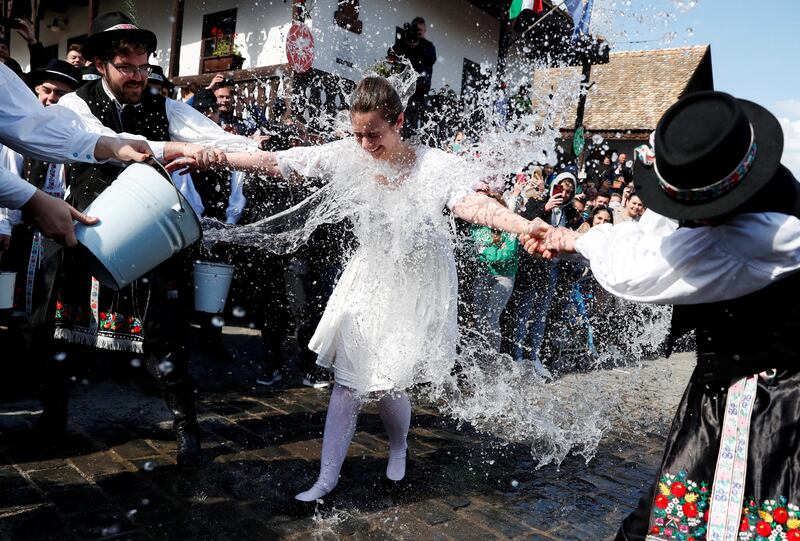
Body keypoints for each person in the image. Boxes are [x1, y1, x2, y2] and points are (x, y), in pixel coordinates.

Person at [220, 76, 543, 502]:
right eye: (357, 134)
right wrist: (212, 156)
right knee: (347, 381)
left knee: (388, 382)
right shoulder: (350, 155)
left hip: (419, 281)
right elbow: (280, 161)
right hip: (370, 274)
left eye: (375, 134)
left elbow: (473, 204)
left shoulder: (434, 165)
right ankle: (326, 478)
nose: (366, 145)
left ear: (399, 122)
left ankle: (398, 445)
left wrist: (524, 226)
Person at [523, 91, 800, 541]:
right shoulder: (757, 193)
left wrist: (572, 239)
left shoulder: (759, 236)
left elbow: (642, 267)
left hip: (764, 402)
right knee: (655, 518)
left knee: (706, 524)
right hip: (727, 390)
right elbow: (664, 228)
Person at [42, 11, 258, 467]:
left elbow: (216, 137)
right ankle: (53, 418)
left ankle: (187, 430)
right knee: (57, 326)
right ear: (101, 63)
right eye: (128, 68)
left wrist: (246, 149)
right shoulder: (73, 105)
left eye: (143, 66)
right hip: (82, 227)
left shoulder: (163, 103)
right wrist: (176, 150)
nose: (139, 76)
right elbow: (104, 140)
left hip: (146, 230)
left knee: (165, 331)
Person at [0, 62, 151, 245]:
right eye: (47, 90)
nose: (52, 99)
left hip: (67, 220)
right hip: (30, 223)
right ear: (37, 89)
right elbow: (11, 171)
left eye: (60, 94)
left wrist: (114, 146)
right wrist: (6, 223)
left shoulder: (79, 133)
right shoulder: (17, 137)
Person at [470, 177, 520, 350]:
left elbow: (506, 255)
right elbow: (476, 252)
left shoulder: (509, 228)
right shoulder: (476, 227)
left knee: (491, 317)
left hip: (504, 277)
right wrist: (494, 251)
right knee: (478, 318)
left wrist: (486, 251)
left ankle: (492, 357)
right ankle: (478, 354)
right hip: (483, 275)